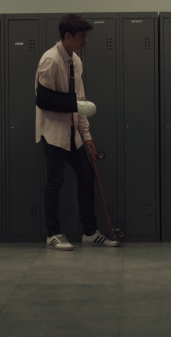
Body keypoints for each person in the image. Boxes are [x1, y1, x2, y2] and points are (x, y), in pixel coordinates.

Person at [34, 14, 121, 251]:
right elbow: (43, 99)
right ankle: (53, 234)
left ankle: (89, 232)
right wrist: (76, 106)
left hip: (74, 134)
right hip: (53, 133)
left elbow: (79, 100)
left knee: (86, 175)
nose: (86, 41)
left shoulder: (76, 61)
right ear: (68, 36)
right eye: (82, 37)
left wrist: (87, 136)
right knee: (55, 181)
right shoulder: (50, 60)